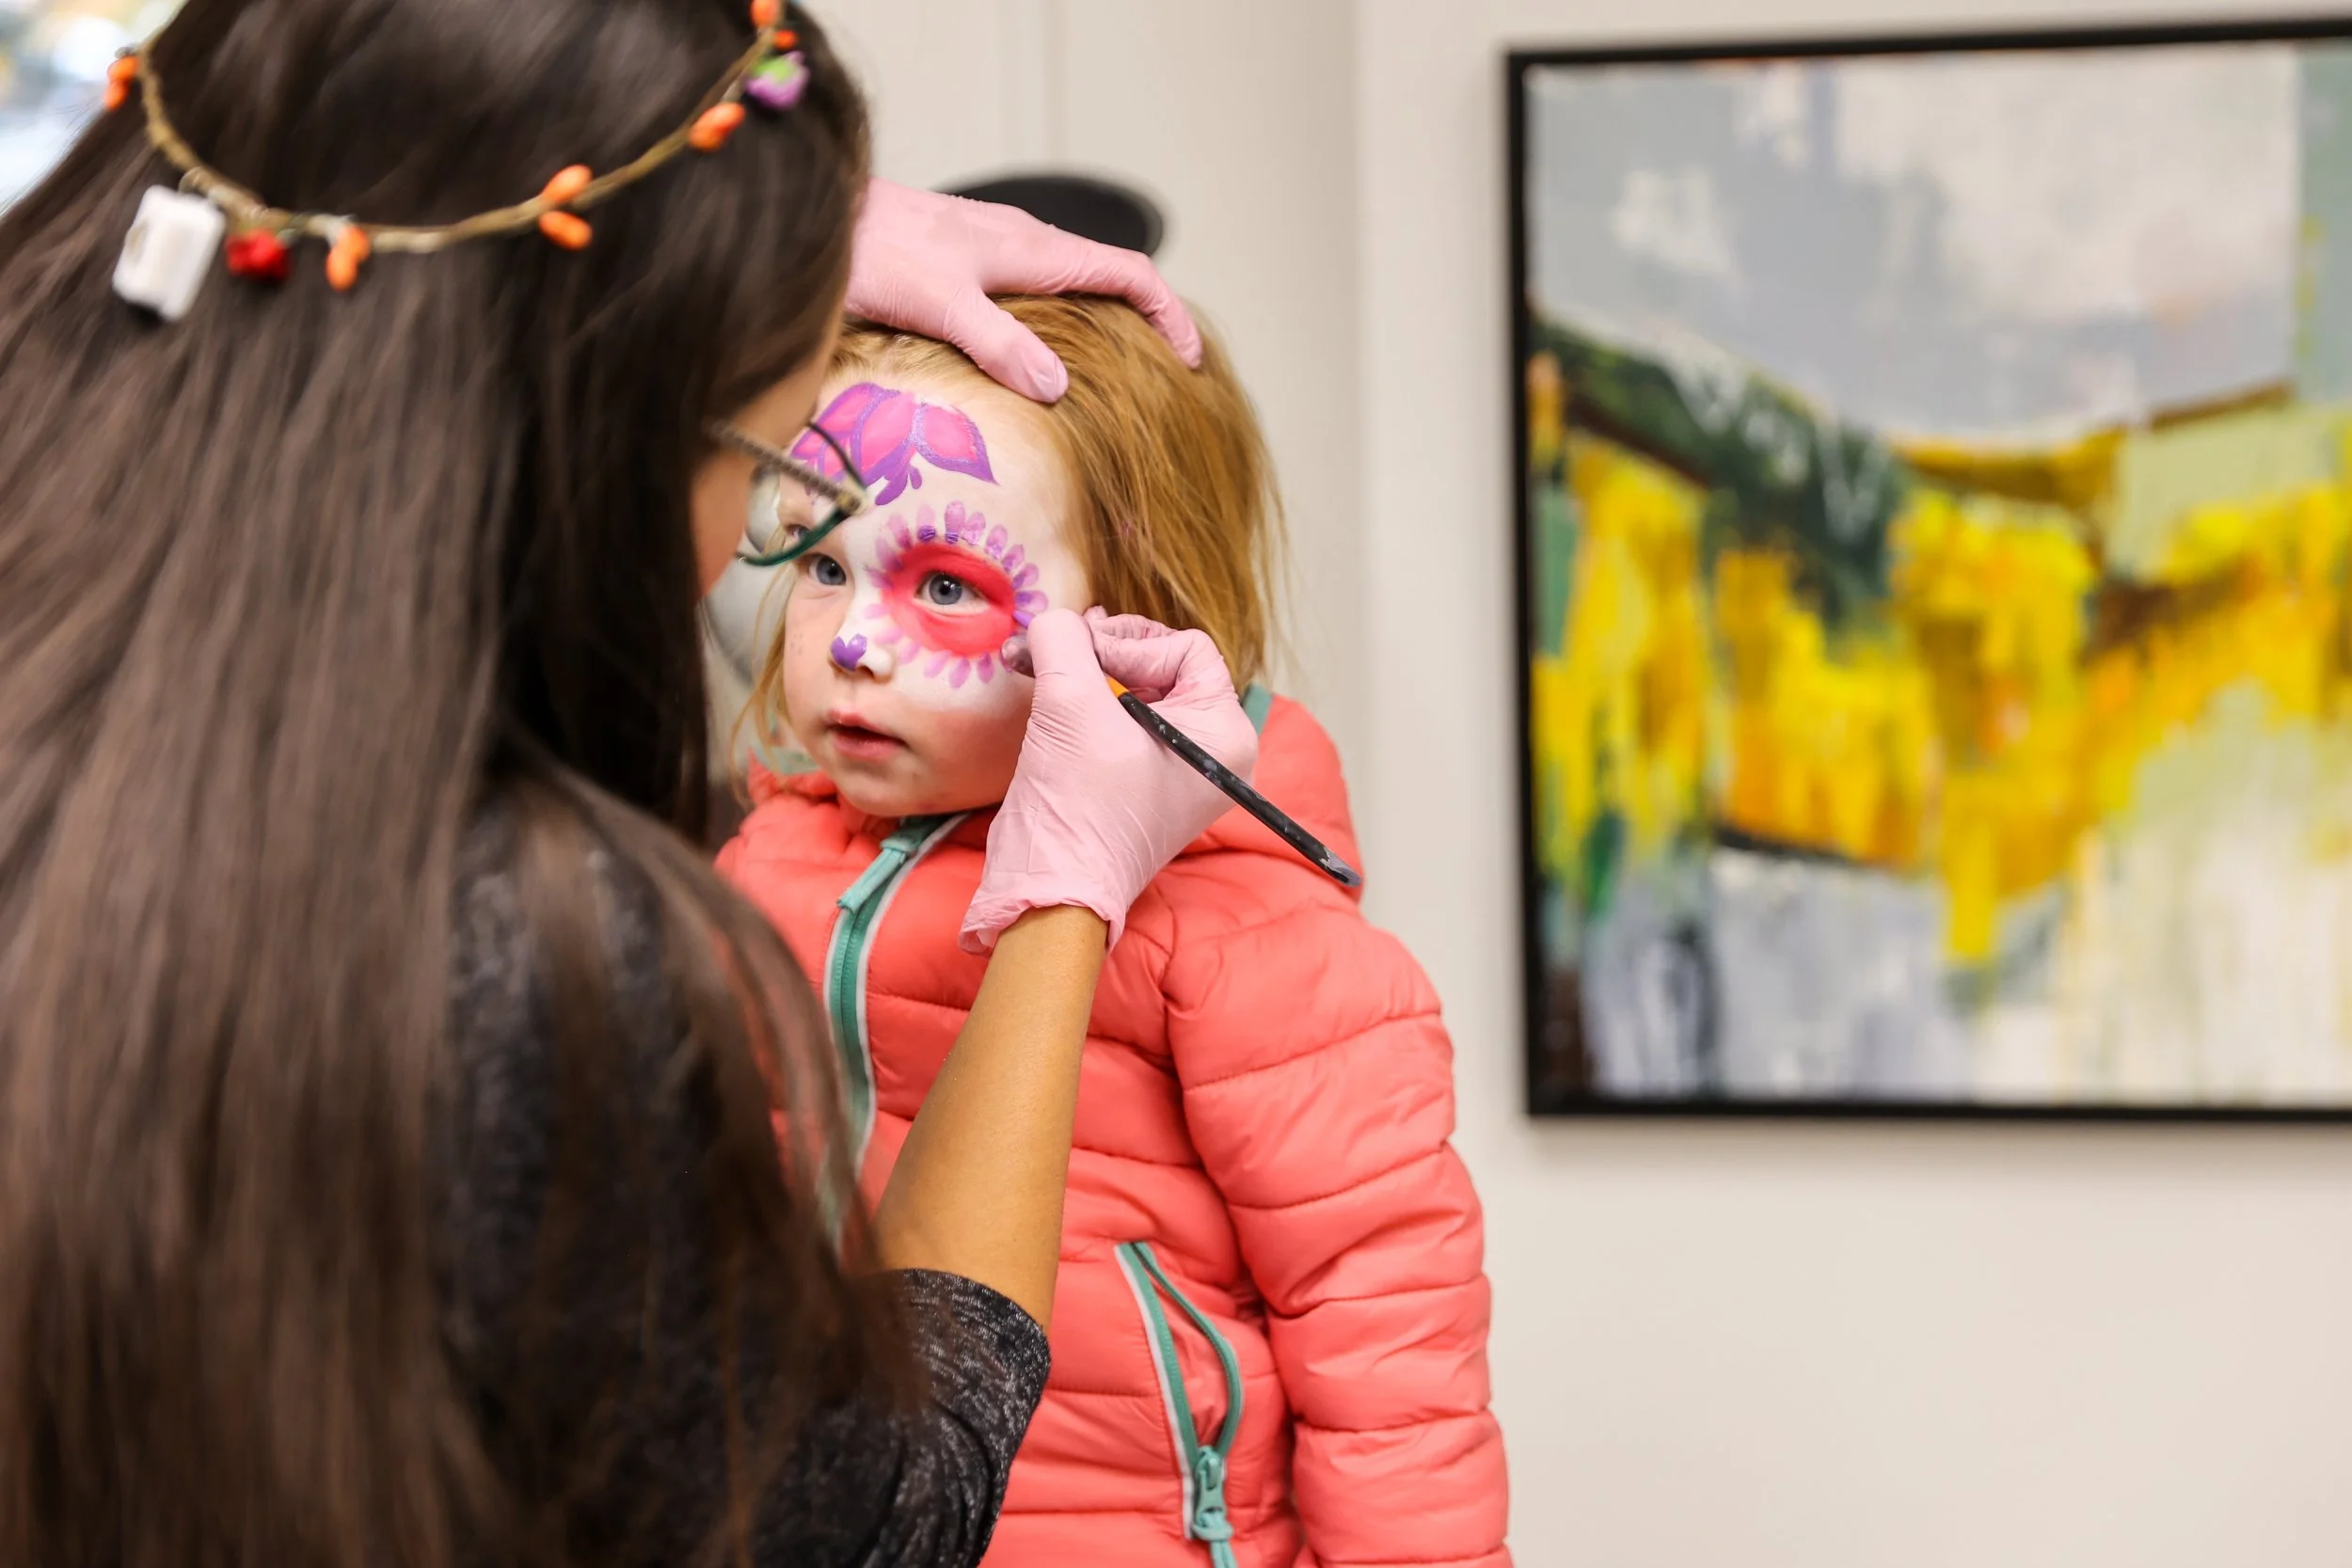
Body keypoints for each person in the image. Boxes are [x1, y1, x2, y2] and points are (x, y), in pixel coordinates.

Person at [0, 2, 1257, 1565]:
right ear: (606, 412)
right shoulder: (521, 945)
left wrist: (729, 249)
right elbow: (870, 1518)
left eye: (943, 581)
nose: (788, 590)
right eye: (779, 477)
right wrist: (1066, 894)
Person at [716, 297, 1512, 1568]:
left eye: (945, 583)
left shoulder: (1242, 934)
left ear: (1137, 620)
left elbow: (1392, 1355)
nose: (853, 642)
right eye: (822, 564)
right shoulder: (759, 868)